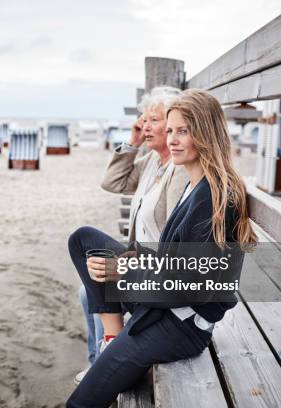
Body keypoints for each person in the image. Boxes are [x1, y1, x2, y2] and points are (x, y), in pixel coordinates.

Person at [67, 89, 257, 407]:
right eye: (170, 130)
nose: (172, 139)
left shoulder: (211, 197)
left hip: (178, 325)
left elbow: (189, 286)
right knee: (84, 240)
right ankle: (112, 337)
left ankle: (115, 345)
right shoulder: (197, 185)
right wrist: (135, 259)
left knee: (81, 402)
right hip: (161, 304)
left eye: (184, 131)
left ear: (206, 132)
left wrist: (123, 270)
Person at [74, 86, 188, 384]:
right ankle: (100, 360)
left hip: (157, 273)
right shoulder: (153, 162)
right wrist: (132, 142)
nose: (144, 126)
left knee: (88, 256)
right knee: (87, 291)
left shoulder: (181, 172)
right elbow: (112, 182)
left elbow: (176, 243)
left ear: (177, 124)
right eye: (142, 121)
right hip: (138, 261)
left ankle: (103, 364)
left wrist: (132, 267)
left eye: (153, 120)